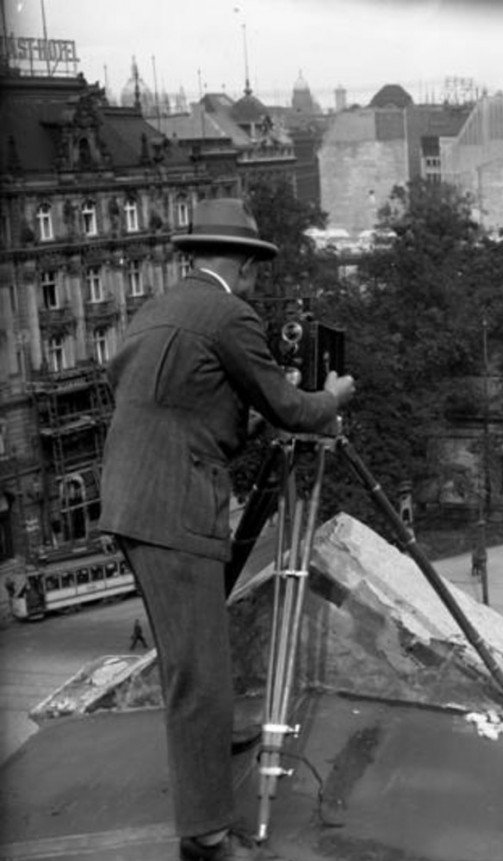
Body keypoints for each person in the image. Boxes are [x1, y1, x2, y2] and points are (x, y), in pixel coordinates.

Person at [98, 198, 355, 861]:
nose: (256, 286)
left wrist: (223, 427)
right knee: (199, 674)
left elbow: (160, 397)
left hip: (134, 494)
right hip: (174, 503)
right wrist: (336, 395)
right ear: (242, 265)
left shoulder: (159, 307)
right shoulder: (229, 314)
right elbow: (293, 408)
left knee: (195, 646)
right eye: (256, 272)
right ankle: (208, 835)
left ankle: (213, 745)